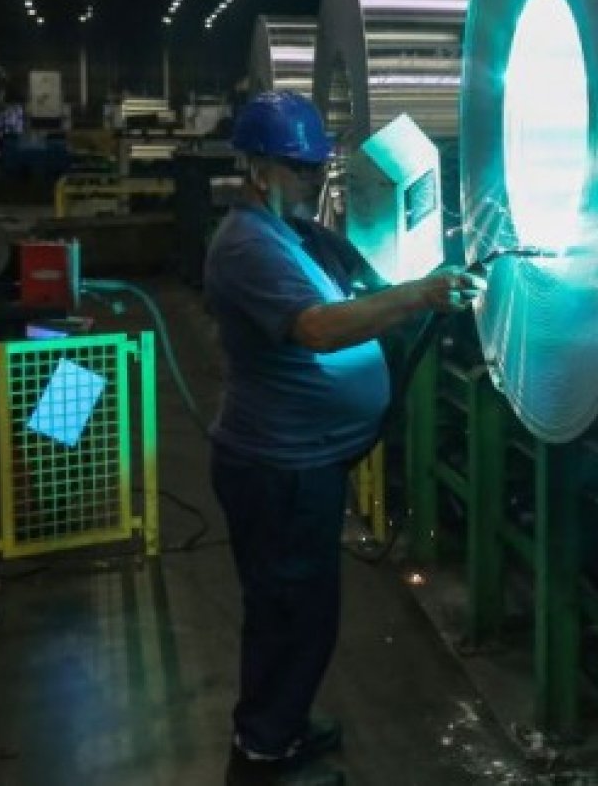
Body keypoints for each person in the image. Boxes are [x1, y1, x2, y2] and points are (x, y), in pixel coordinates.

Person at [206, 91, 481, 785]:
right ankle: (263, 755)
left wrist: (405, 273)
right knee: (290, 613)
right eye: (299, 169)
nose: (311, 181)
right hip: (278, 470)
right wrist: (418, 296)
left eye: (315, 168)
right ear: (258, 166)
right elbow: (319, 328)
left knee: (300, 610)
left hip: (300, 465)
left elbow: (355, 280)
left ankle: (282, 725)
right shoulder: (246, 245)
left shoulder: (291, 232)